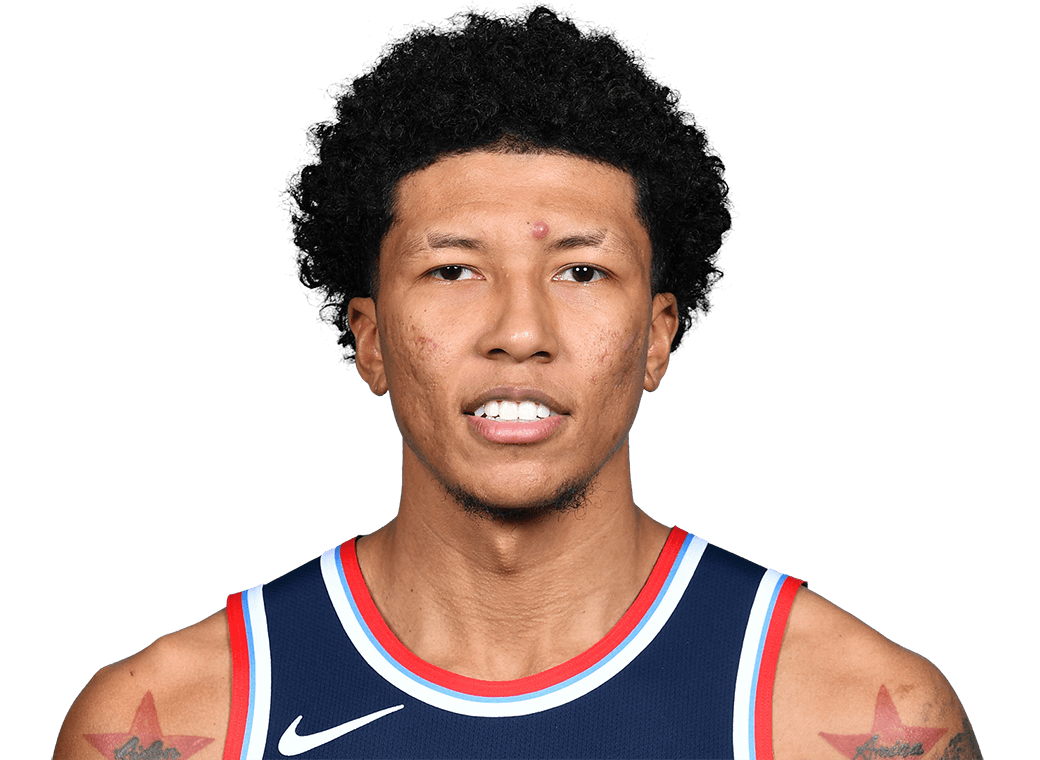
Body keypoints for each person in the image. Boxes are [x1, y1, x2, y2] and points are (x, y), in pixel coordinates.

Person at [54, 4, 980, 759]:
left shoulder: (850, 717)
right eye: (454, 269)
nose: (520, 333)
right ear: (369, 340)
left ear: (659, 336)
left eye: (581, 270)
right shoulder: (181, 724)